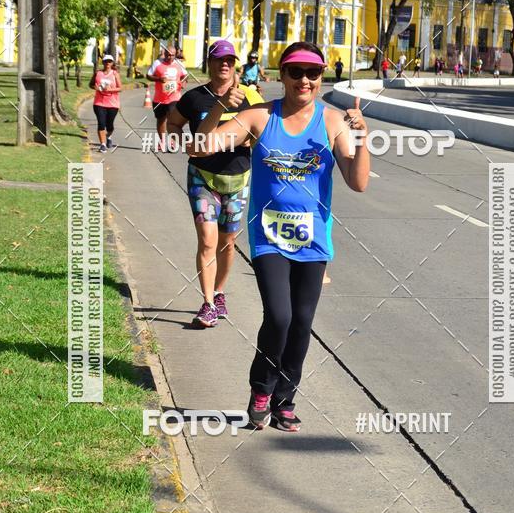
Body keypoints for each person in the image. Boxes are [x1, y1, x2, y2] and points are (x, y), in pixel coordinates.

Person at [193, 41, 369, 432]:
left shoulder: (332, 121)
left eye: (313, 73)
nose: (304, 80)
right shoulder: (259, 117)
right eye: (295, 72)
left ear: (321, 78)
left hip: (312, 239)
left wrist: (362, 138)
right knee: (280, 316)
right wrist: (221, 108)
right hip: (269, 236)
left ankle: (285, 399)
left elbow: (357, 183)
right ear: (283, 75)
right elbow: (199, 148)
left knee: (302, 322)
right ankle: (261, 389)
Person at [167, 40, 263, 328]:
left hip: (238, 177)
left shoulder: (250, 97)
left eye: (230, 60)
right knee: (207, 240)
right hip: (202, 177)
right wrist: (178, 138)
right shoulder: (195, 98)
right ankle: (208, 303)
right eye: (219, 59)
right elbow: (173, 122)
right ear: (208, 63)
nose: (225, 64)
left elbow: (265, 130)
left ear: (236, 65)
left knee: (227, 242)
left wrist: (253, 141)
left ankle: (220, 293)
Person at [147, 46, 188, 148]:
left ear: (175, 55)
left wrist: (183, 82)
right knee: (161, 120)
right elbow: (148, 75)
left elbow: (186, 75)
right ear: (164, 53)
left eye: (172, 55)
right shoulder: (157, 63)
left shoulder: (179, 64)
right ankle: (162, 141)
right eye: (168, 55)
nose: (170, 57)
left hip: (174, 97)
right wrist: (159, 79)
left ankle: (172, 142)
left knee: (172, 120)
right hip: (159, 98)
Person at [90, 54, 121, 153]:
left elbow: (120, 88)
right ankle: (102, 144)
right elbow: (91, 84)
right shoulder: (98, 73)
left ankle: (109, 136)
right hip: (99, 103)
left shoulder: (115, 74)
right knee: (101, 123)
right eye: (106, 61)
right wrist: (95, 87)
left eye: (110, 61)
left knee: (109, 125)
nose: (108, 63)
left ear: (112, 63)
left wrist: (110, 89)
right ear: (103, 62)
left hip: (112, 104)